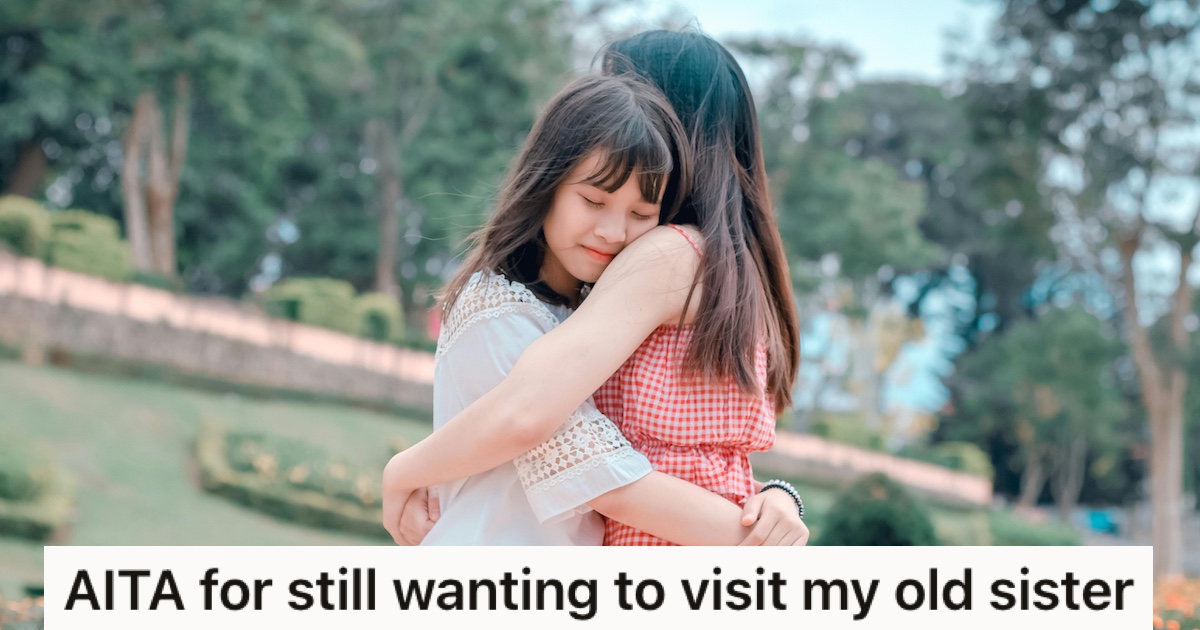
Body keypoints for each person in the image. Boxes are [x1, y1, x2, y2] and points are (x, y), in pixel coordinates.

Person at [386, 70, 804, 546]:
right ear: (546, 183)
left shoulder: (586, 319)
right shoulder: (497, 308)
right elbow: (595, 471)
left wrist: (777, 498)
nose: (613, 231)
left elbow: (669, 453)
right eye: (592, 200)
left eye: (641, 215)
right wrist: (400, 470)